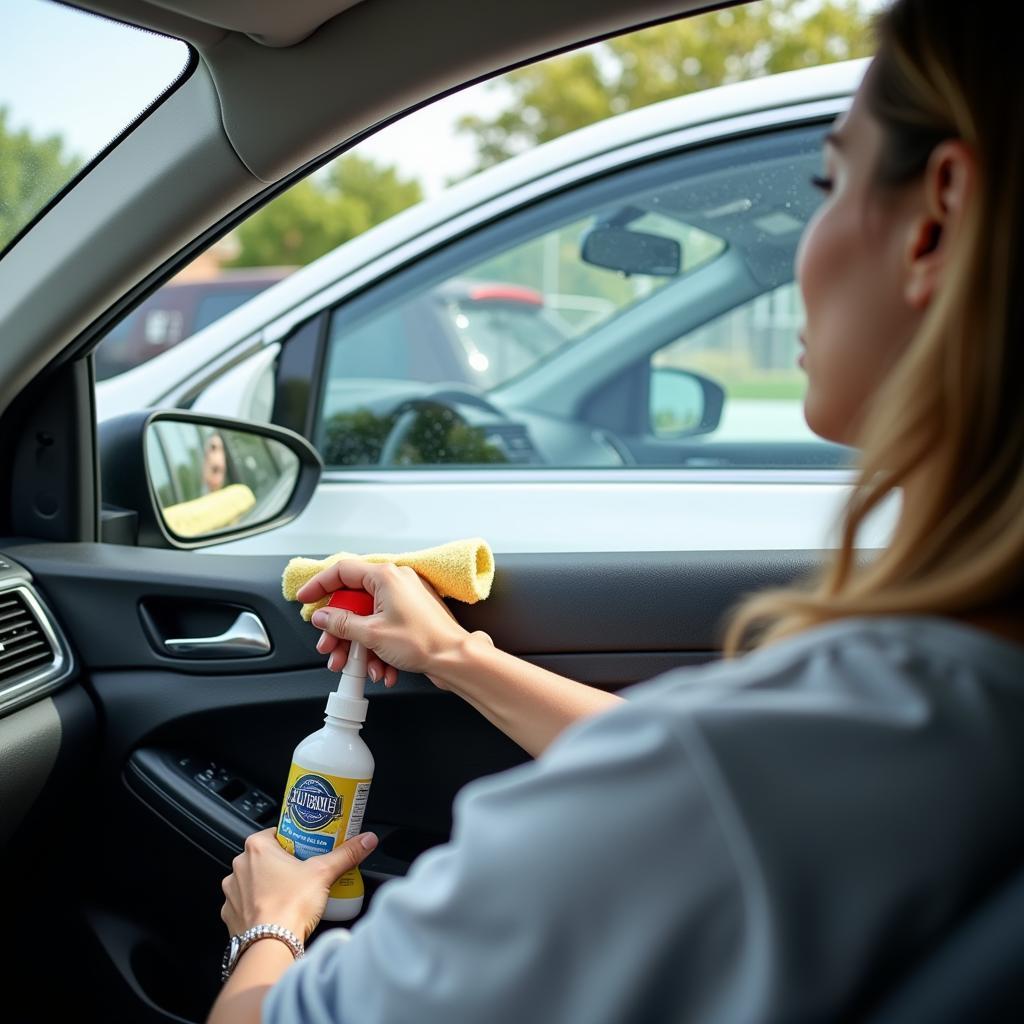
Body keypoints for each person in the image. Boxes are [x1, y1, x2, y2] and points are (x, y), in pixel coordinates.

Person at [208, 1, 1024, 1020]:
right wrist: (460, 658)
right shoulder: (921, 722)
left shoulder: (777, 759)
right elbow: (728, 786)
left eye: (829, 181)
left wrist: (271, 928)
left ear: (937, 215)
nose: (806, 245)